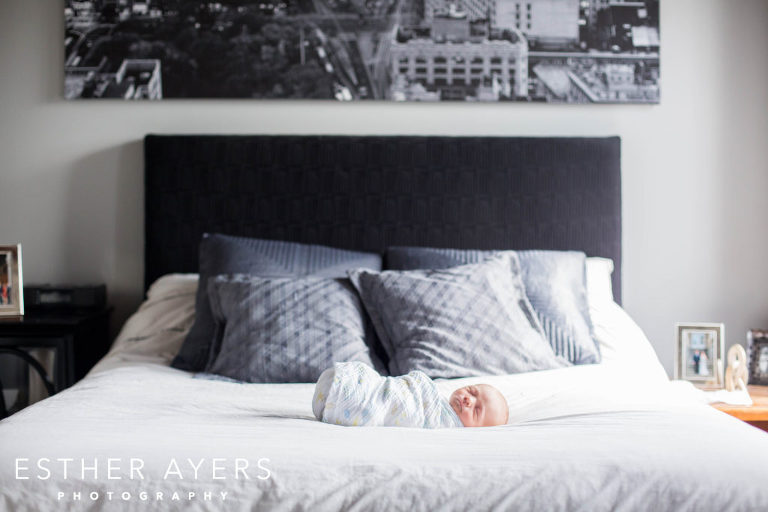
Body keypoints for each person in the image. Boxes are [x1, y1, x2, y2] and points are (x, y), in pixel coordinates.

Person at [313, 361, 509, 429]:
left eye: (476, 410)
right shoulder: (434, 397)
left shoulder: (445, 423)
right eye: (472, 391)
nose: (468, 399)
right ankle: (350, 387)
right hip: (342, 380)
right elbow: (406, 389)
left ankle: (346, 397)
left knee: (377, 405)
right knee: (379, 389)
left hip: (339, 398)